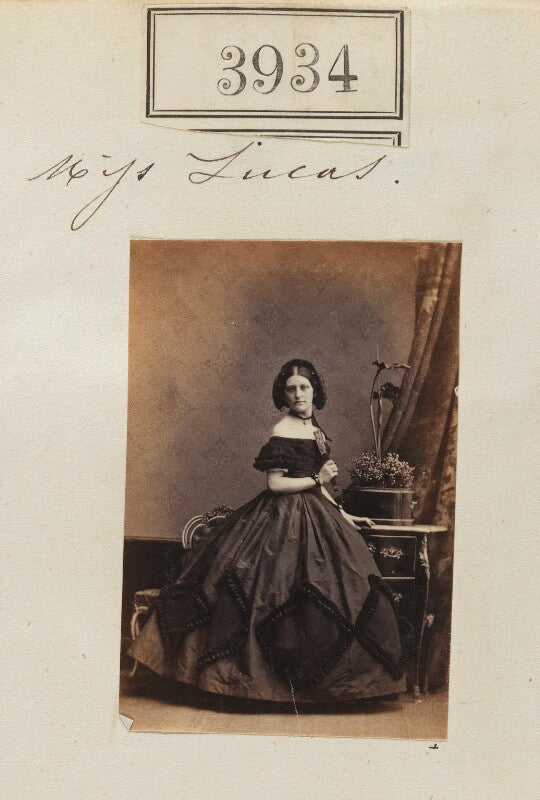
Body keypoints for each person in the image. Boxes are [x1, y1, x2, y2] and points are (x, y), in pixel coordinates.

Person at [130, 359, 405, 703]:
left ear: (315, 391)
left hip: (318, 513)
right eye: (291, 389)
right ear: (283, 395)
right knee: (265, 590)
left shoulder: (313, 427)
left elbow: (320, 489)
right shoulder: (282, 430)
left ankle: (335, 686)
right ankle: (256, 685)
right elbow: (275, 484)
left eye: (304, 387)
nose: (298, 394)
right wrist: (317, 478)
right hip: (280, 518)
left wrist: (346, 516)